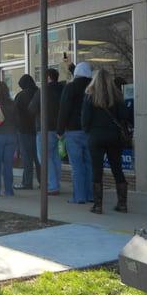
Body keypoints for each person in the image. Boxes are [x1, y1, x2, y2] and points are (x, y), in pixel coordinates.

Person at [82, 69, 129, 214]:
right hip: (114, 136)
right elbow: (124, 116)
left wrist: (88, 131)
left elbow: (85, 120)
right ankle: (122, 204)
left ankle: (98, 205)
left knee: (97, 170)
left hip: (96, 136)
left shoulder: (90, 96)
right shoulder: (117, 95)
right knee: (117, 169)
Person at [57, 61, 93, 204]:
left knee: (77, 165)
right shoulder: (93, 88)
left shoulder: (70, 88)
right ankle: (91, 195)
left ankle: (79, 196)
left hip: (73, 131)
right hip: (90, 131)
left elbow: (64, 109)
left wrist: (60, 129)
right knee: (90, 164)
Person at [29, 68, 64, 195]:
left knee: (44, 158)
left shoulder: (43, 90)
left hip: (44, 129)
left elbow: (32, 108)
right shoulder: (63, 89)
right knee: (55, 157)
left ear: (48, 77)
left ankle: (52, 185)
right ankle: (56, 182)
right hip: (59, 129)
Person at [14, 74, 41, 190]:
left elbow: (15, 113)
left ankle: (27, 182)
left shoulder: (20, 95)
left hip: (24, 130)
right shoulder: (39, 92)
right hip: (38, 129)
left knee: (27, 158)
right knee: (39, 158)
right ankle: (43, 182)